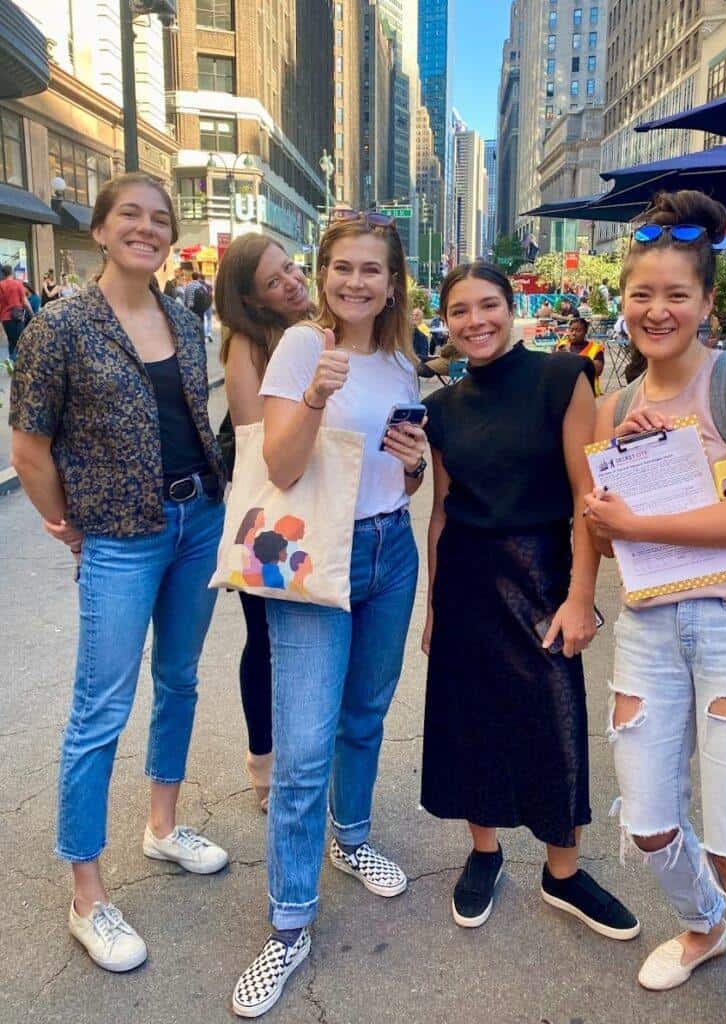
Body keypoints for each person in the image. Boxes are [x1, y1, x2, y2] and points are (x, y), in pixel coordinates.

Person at [585, 190, 726, 1024]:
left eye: (676, 294)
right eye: (642, 293)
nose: (656, 309)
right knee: (644, 822)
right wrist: (608, 526)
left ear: (706, 302)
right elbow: (613, 539)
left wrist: (637, 518)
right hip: (650, 626)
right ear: (624, 302)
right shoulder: (613, 407)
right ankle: (699, 923)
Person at [9, 172, 228, 974]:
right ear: (99, 230)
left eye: (161, 219)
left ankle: (163, 827)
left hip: (196, 521)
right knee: (98, 709)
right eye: (130, 215)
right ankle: (87, 895)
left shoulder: (179, 315)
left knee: (179, 681)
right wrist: (67, 522)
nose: (147, 228)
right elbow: (28, 446)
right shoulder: (60, 326)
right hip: (122, 538)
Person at [232, 210, 427, 1018]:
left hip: (388, 550)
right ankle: (287, 924)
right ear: (323, 275)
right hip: (316, 553)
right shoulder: (303, 347)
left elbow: (398, 474)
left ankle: (349, 840)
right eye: (342, 267)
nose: (355, 281)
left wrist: (413, 471)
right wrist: (312, 395)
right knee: (304, 746)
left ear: (391, 282)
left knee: (364, 717)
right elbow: (279, 463)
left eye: (370, 270)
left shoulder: (402, 358)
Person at [420, 260, 639, 941]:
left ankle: (562, 872)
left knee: (554, 719)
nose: (474, 321)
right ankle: (483, 853)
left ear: (511, 310)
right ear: (447, 323)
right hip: (464, 579)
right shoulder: (440, 409)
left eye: (487, 305)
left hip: (541, 574)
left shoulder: (561, 378)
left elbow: (586, 497)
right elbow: (439, 511)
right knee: (469, 722)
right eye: (459, 311)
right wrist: (432, 606)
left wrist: (581, 596)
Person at [214, 232, 313, 811]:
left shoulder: (315, 328)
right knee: (267, 640)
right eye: (272, 282)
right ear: (250, 299)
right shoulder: (247, 347)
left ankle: (302, 760)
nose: (290, 282)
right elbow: (257, 443)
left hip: (316, 508)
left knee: (310, 642)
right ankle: (264, 767)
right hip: (270, 517)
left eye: (291, 268)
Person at [556, 316, 605, 395]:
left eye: (578, 330)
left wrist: (570, 357)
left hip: (587, 392)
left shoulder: (596, 348)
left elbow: (597, 371)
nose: (574, 333)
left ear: (585, 331)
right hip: (564, 392)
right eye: (571, 330)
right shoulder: (562, 346)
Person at [0, 264, 33, 361]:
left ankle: (12, 364)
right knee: (20, 341)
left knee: (11, 342)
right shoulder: (18, 284)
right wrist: (32, 314)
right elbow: (25, 302)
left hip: (5, 318)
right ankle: (20, 364)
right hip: (17, 317)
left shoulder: (0, 285)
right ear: (12, 272)